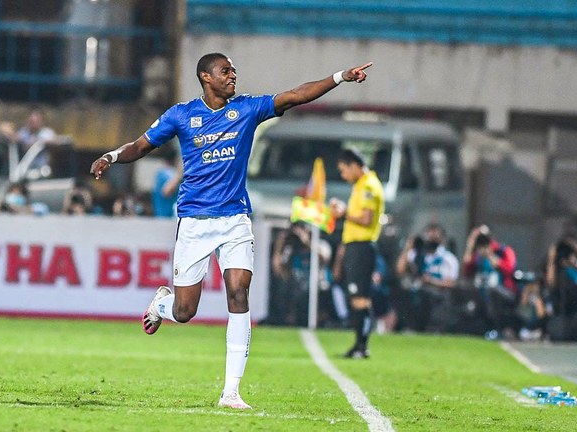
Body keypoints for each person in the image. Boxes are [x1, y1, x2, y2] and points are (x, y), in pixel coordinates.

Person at [90, 53, 372, 408]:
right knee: (185, 311)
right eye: (225, 71)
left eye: (234, 71)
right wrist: (111, 157)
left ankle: (231, 392)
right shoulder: (181, 115)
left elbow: (295, 95)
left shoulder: (248, 109)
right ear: (205, 77)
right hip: (194, 221)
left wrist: (340, 76)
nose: (233, 76)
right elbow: (140, 146)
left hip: (235, 219)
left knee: (239, 294)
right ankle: (162, 304)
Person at [329, 148, 384, 359]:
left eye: (344, 170)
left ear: (354, 165)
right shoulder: (362, 185)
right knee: (356, 297)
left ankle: (362, 346)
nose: (343, 175)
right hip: (356, 246)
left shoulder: (369, 186)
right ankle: (359, 345)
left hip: (362, 246)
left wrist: (344, 213)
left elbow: (366, 219)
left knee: (360, 297)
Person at [395, 223, 459, 332]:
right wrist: (409, 247)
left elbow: (452, 283)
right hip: (417, 297)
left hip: (438, 299)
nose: (431, 240)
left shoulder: (448, 258)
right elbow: (400, 270)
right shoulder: (417, 255)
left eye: (435, 237)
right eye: (429, 237)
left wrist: (431, 281)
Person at [462, 225, 518, 339]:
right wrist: (470, 246)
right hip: (481, 290)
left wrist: (490, 255)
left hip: (504, 291)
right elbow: (466, 272)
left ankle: (496, 328)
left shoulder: (503, 250)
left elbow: (510, 269)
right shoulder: (476, 255)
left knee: (492, 292)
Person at [152, 150, 183, 218]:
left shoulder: (159, 173)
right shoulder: (168, 174)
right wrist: (180, 174)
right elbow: (166, 191)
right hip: (168, 216)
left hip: (159, 214)